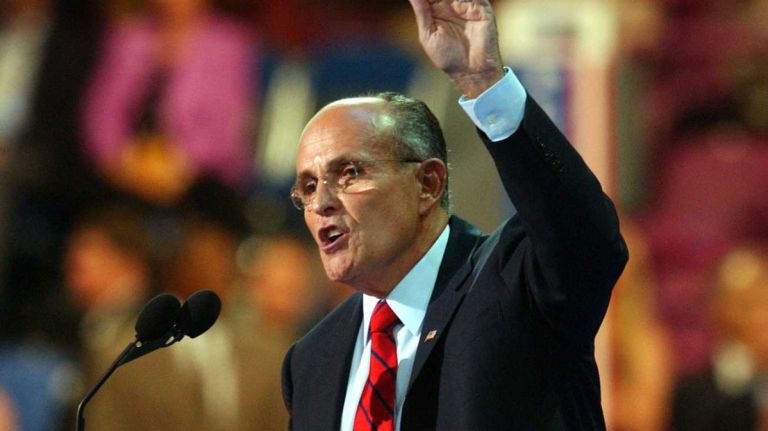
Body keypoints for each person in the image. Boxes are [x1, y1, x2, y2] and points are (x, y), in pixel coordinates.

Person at [280, 1, 628, 430]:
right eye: (309, 187)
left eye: (350, 173)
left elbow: (585, 234)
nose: (322, 203)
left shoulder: (516, 283)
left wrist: (484, 83)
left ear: (428, 184)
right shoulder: (312, 359)